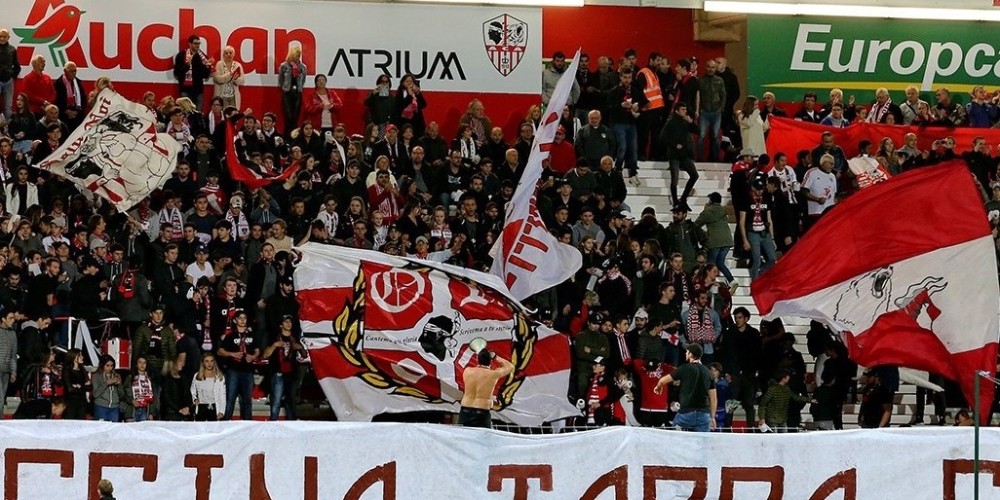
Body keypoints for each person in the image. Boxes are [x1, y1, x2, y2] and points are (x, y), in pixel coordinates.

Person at [653, 343, 717, 432]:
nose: (685, 354)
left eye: (687, 352)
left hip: (686, 413)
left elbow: (663, 380)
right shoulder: (708, 373)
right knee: (702, 443)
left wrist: (658, 387)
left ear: (691, 354)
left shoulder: (684, 368)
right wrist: (712, 417)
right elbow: (713, 398)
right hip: (704, 415)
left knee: (676, 438)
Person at [459, 348, 514, 428]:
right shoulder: (493, 374)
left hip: (465, 410)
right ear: (490, 361)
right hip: (481, 411)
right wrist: (495, 357)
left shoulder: (467, 371)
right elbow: (510, 367)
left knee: (463, 438)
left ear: (478, 360)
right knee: (483, 439)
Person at [172, 35, 213, 111]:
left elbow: (206, 75)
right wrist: (187, 65)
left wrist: (208, 66)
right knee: (186, 113)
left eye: (199, 43)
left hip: (198, 90)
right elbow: (177, 73)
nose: (197, 45)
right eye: (195, 43)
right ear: (190, 44)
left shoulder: (203, 57)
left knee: (198, 114)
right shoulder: (181, 55)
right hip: (185, 89)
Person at [278, 45, 307, 133]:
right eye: (295, 56)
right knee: (288, 116)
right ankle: (287, 136)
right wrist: (285, 87)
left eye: (298, 56)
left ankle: (294, 135)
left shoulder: (303, 67)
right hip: (287, 93)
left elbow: (303, 80)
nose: (297, 58)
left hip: (297, 93)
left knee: (295, 116)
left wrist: (299, 87)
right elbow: (280, 79)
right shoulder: (284, 66)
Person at [191, 353, 226, 421]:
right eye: (207, 361)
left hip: (215, 407)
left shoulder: (219, 377)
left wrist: (221, 411)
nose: (209, 363)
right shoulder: (197, 376)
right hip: (201, 407)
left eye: (211, 361)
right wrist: (195, 399)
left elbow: (222, 395)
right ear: (203, 363)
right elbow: (192, 390)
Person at [0, 29, 19, 120]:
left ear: (8, 37)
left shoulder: (12, 49)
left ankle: (8, 129)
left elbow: (17, 65)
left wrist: (13, 76)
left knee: (8, 106)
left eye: (4, 36)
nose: (2, 38)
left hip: (8, 81)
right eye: (0, 36)